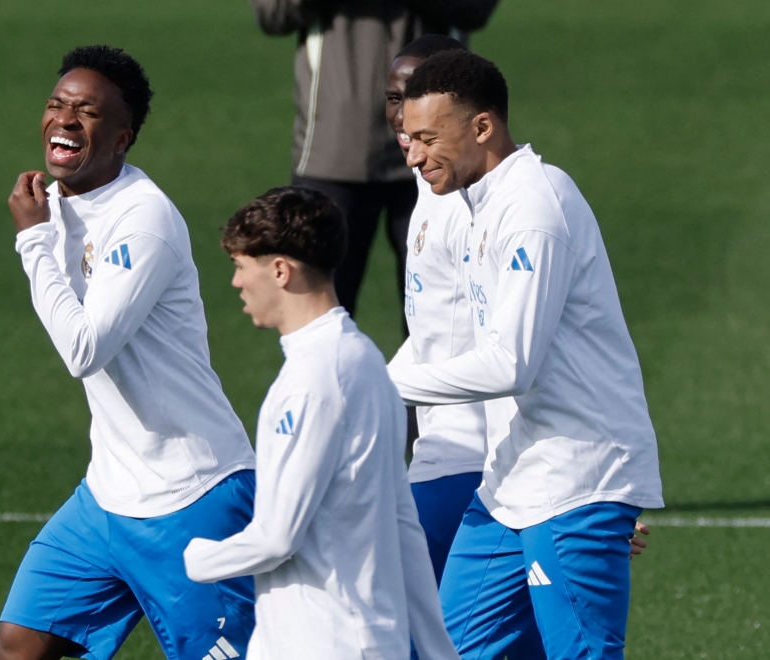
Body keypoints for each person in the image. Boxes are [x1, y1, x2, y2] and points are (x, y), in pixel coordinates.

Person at [388, 50, 664, 659]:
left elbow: (510, 364)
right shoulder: (477, 203)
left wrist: (381, 385)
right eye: (408, 138)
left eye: (427, 138)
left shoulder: (533, 207)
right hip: (510, 481)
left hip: (577, 476)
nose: (410, 154)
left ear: (481, 127)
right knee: (452, 649)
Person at [0, 45, 257, 660]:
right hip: (106, 495)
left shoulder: (144, 219)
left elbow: (85, 348)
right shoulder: (58, 204)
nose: (64, 119)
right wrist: (43, 229)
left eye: (85, 112)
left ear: (120, 138)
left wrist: (33, 242)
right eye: (57, 104)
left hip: (190, 494)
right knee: (18, 646)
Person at [183, 187, 460, 660]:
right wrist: (440, 652)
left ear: (279, 270)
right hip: (363, 640)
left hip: (323, 640)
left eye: (241, 267)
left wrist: (194, 558)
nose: (235, 283)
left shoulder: (314, 380)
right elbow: (402, 526)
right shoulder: (365, 362)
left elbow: (277, 537)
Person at [248, 0, 498, 323]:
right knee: (319, 325)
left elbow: (476, 8)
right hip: (334, 152)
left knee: (446, 325)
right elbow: (272, 12)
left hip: (438, 150)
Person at [384, 34, 486, 588]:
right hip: (442, 454)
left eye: (419, 99)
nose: (403, 117)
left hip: (470, 462)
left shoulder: (469, 209)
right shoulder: (431, 193)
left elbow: (514, 347)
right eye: (395, 98)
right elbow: (435, 329)